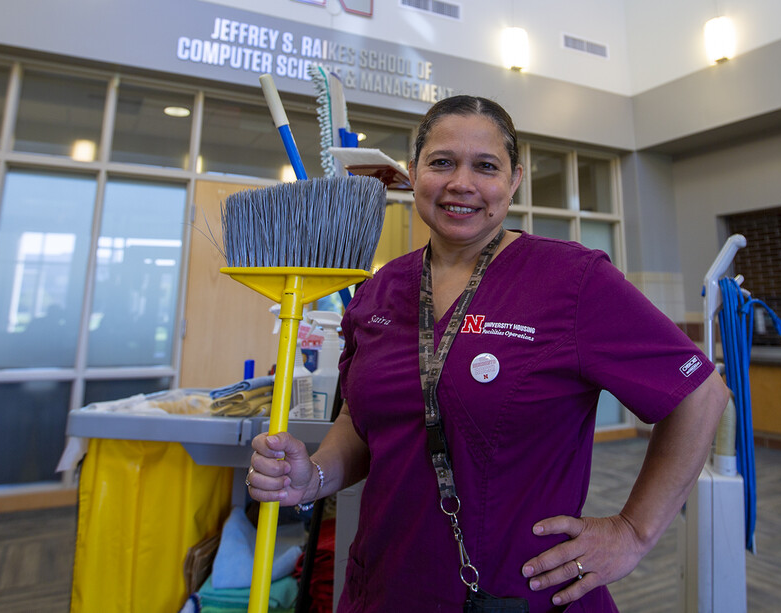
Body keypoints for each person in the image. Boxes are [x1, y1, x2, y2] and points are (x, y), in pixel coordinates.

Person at [245, 94, 730, 611]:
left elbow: (700, 394)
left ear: (514, 180)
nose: (462, 184)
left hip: (516, 591)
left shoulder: (572, 279)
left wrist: (634, 531)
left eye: (486, 166)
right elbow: (361, 423)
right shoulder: (379, 290)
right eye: (441, 162)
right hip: (386, 586)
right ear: (413, 173)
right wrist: (314, 474)